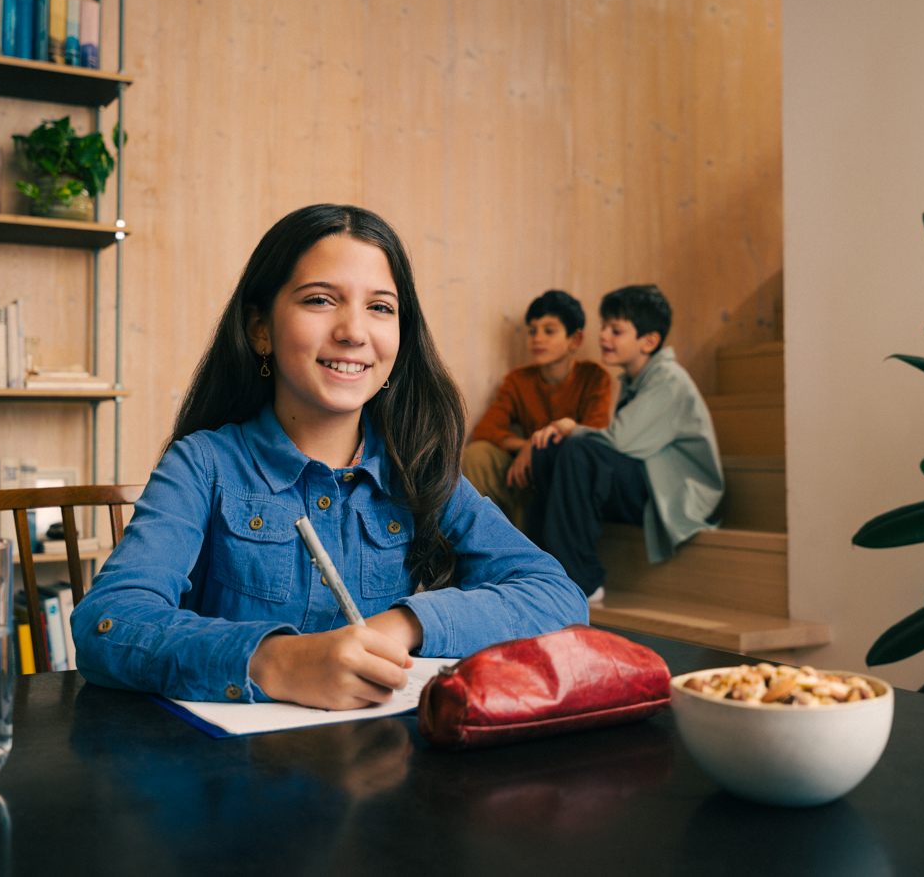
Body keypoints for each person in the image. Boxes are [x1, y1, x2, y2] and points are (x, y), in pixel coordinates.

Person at [70, 205, 587, 711]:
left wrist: (404, 624)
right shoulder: (202, 465)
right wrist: (277, 661)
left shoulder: (419, 470)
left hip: (380, 772)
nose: (354, 331)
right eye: (320, 300)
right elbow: (108, 622)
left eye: (380, 307)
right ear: (260, 330)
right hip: (231, 775)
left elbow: (558, 597)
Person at [522, 285, 723, 599]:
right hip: (650, 477)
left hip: (675, 491)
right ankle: (539, 573)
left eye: (616, 331)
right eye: (604, 327)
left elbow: (619, 442)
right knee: (548, 451)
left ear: (649, 341)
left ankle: (582, 581)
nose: (603, 336)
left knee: (578, 451)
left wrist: (571, 427)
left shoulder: (668, 378)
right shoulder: (635, 379)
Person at [462, 290, 613, 528]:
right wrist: (528, 445)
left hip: (566, 474)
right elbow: (485, 430)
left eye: (549, 331)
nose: (537, 338)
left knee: (554, 463)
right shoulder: (518, 380)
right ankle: (481, 539)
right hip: (523, 471)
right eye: (532, 331)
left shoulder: (594, 377)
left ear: (575, 339)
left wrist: (539, 448)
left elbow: (594, 434)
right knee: (478, 453)